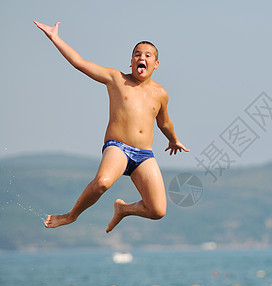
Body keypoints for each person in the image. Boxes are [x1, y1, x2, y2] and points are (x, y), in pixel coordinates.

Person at [34, 21, 189, 233]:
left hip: (144, 155)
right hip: (118, 147)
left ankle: (124, 209)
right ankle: (70, 216)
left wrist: (173, 139)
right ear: (131, 61)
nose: (141, 58)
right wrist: (55, 38)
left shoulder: (160, 93)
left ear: (156, 64)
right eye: (137, 54)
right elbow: (80, 63)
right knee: (102, 183)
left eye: (147, 55)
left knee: (157, 210)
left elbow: (164, 122)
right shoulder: (117, 79)